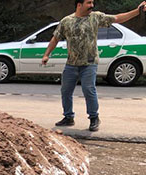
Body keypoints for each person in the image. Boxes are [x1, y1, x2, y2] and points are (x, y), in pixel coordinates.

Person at [42, 0, 146, 132]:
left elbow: (118, 18)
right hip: (71, 63)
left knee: (88, 89)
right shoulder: (66, 21)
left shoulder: (95, 17)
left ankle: (94, 118)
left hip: (89, 63)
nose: (92, 5)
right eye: (89, 2)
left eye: (92, 2)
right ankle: (68, 117)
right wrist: (46, 54)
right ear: (79, 5)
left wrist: (137, 11)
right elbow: (55, 38)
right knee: (65, 91)